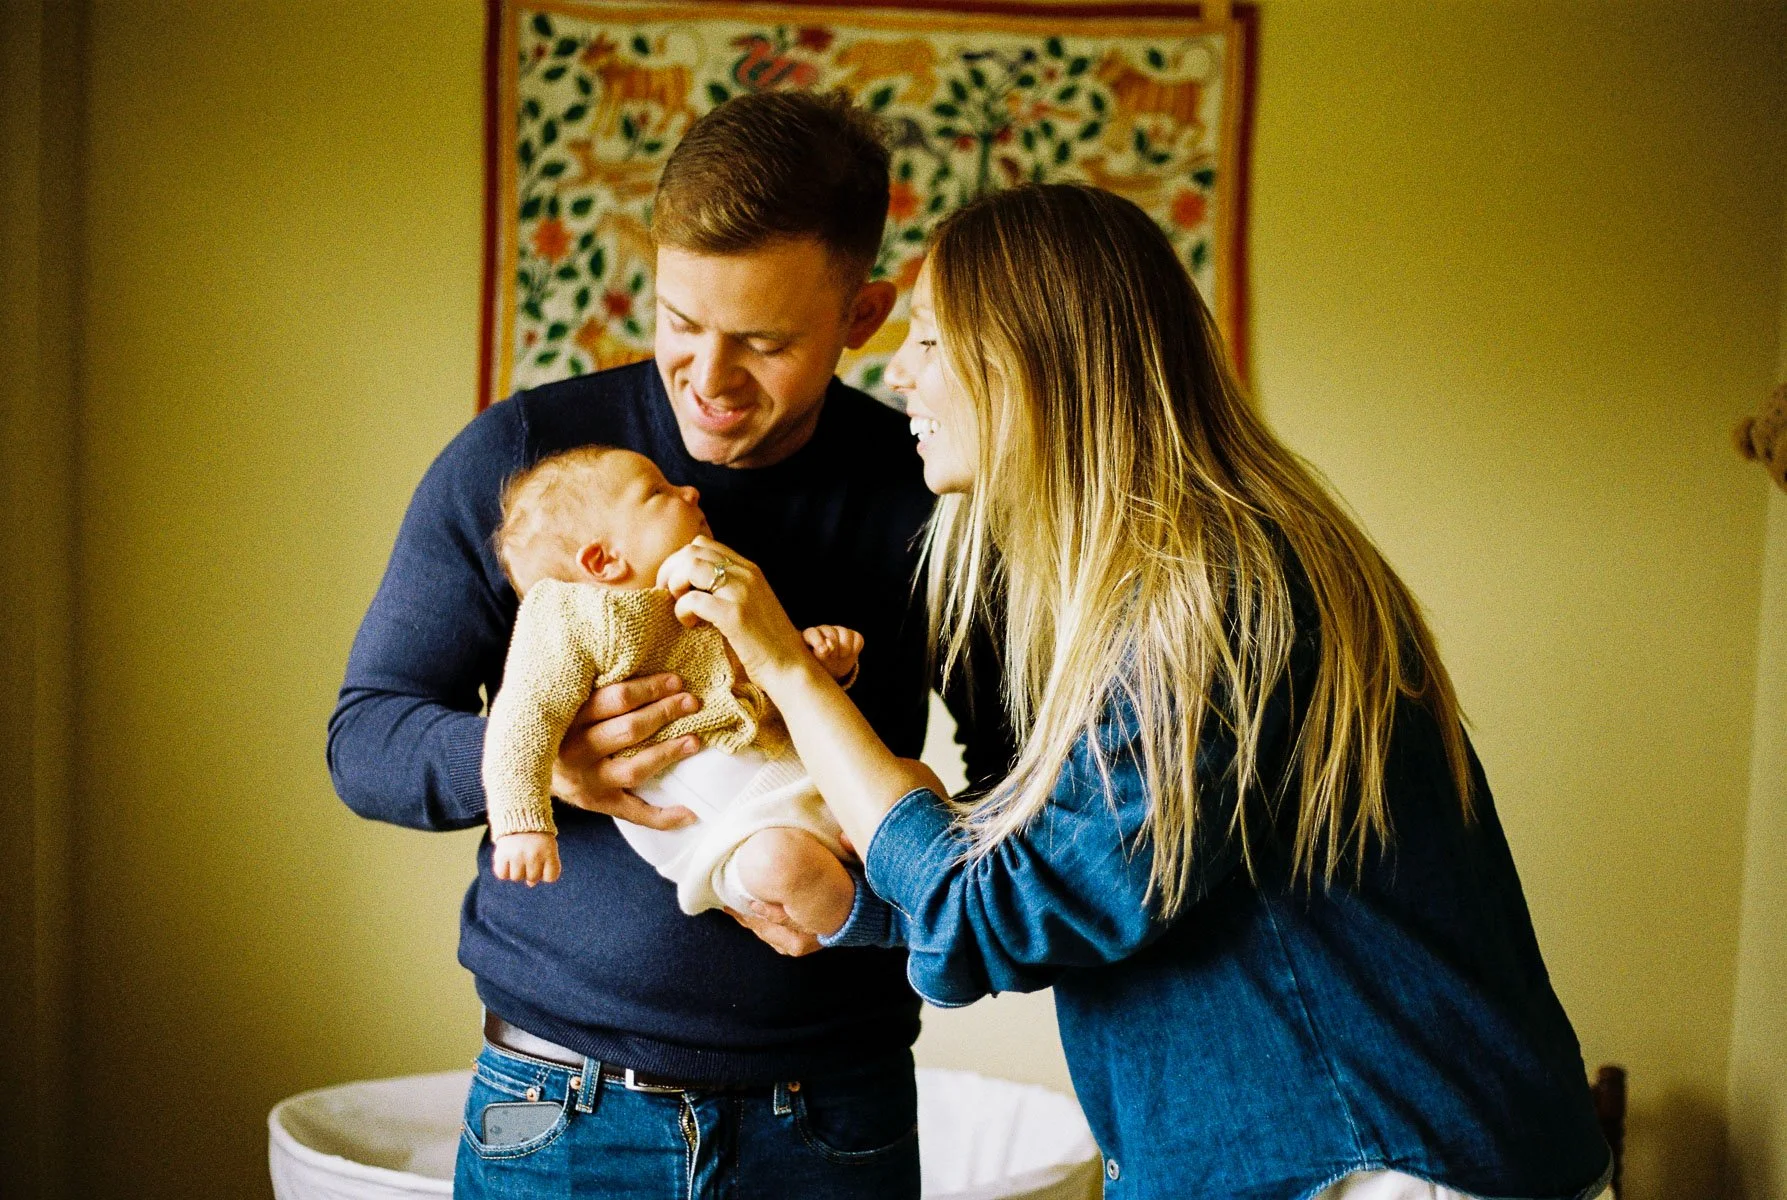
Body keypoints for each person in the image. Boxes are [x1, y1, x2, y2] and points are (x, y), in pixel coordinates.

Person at [658, 183, 1615, 1200]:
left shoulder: (1212, 597)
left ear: (1035, 360)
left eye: (931, 342)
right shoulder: (1163, 581)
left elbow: (998, 913)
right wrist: (861, 897)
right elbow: (1090, 881)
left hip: (1376, 1165)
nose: (898, 375)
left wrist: (783, 666)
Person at [327, 90, 1012, 1199]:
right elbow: (366, 738)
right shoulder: (526, 462)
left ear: (862, 312)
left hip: (835, 1117)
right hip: (555, 1111)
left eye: (763, 342)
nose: (707, 378)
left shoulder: (931, 485)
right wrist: (543, 756)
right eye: (679, 324)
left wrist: (882, 911)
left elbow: (1023, 774)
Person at [481, 444, 861, 937]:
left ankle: (912, 896)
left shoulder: (712, 585)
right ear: (602, 560)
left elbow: (777, 676)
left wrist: (822, 662)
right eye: (657, 492)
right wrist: (521, 820)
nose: (689, 490)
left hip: (806, 783)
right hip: (730, 832)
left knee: (912, 780)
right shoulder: (571, 617)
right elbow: (522, 719)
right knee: (783, 864)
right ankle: (889, 925)